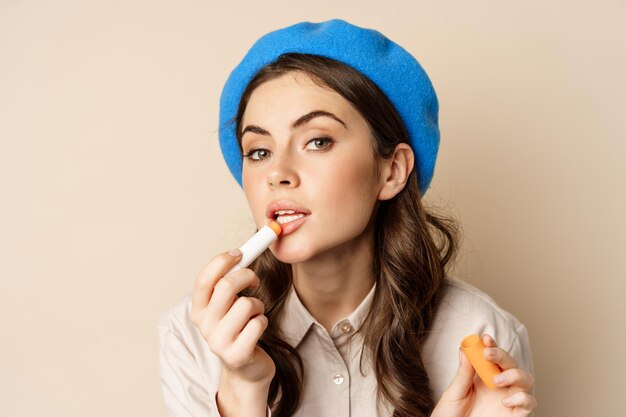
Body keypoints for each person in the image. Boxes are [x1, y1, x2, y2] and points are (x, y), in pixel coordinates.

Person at [158, 19, 537, 417]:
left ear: (391, 171)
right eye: (258, 151)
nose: (277, 173)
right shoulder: (191, 336)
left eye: (317, 141)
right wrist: (241, 389)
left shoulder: (478, 333)